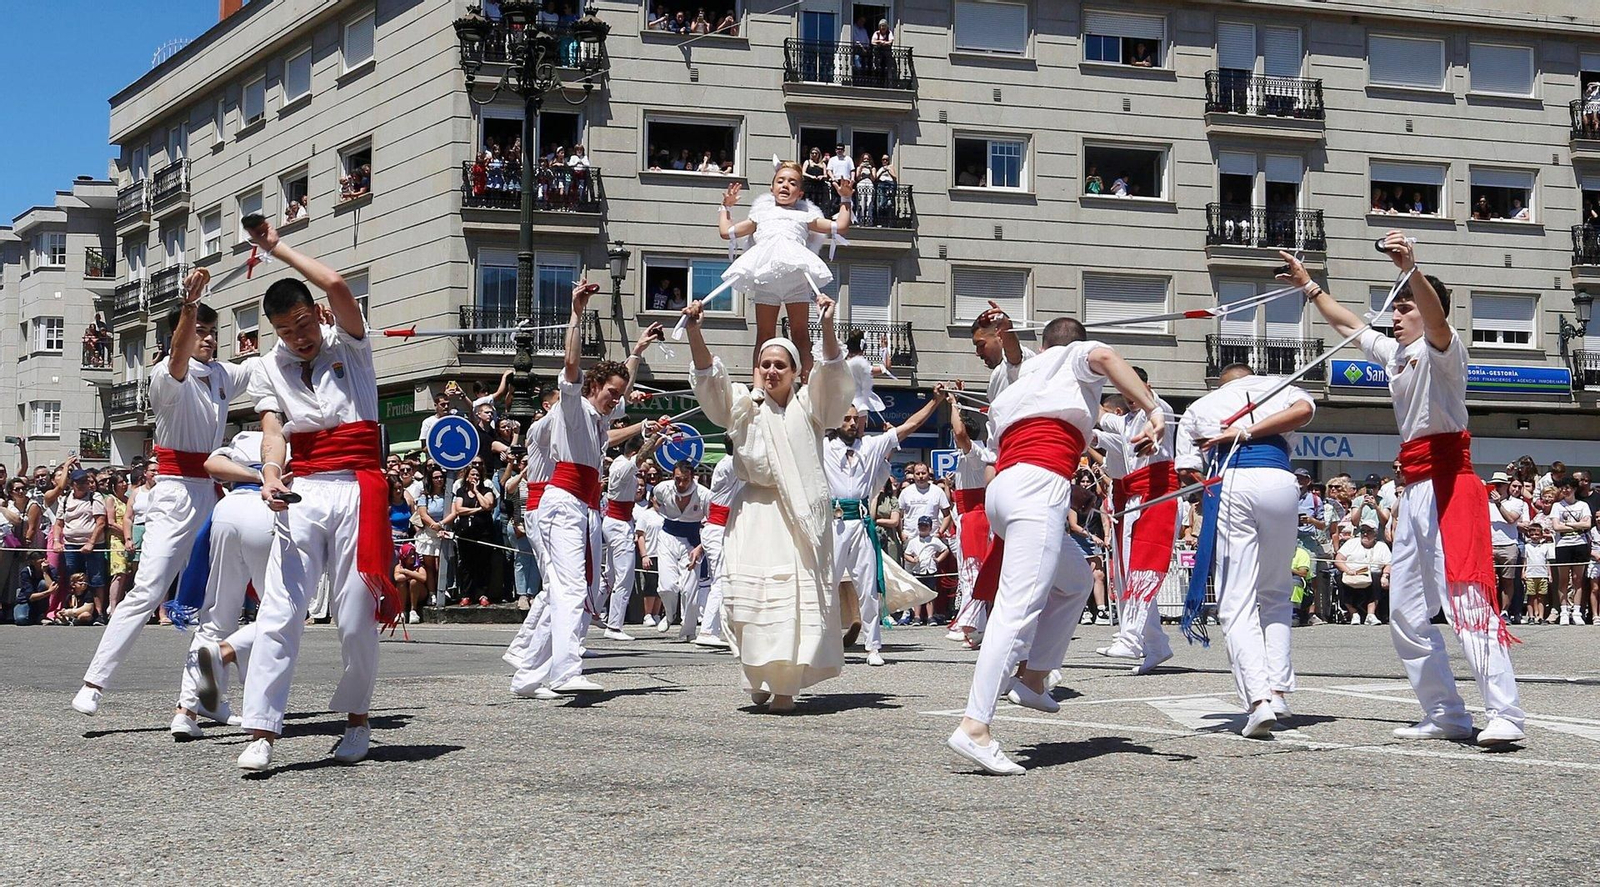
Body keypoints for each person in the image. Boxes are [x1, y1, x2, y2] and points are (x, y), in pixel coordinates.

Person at [1290, 236, 1525, 746]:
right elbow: (1348, 325)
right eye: (1394, 309)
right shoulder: (1396, 353)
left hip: (1450, 485)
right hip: (1415, 488)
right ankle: (1445, 712)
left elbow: (1438, 322)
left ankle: (1505, 713)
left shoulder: (1443, 349)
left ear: (1426, 309)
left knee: (1467, 602)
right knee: (1405, 613)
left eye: (1404, 308)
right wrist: (1309, 285)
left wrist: (1413, 269)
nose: (1394, 317)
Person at [214, 218, 393, 771]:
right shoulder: (270, 366)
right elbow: (272, 430)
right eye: (287, 331)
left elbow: (338, 284)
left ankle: (358, 721)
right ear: (274, 331)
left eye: (303, 324)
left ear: (315, 313)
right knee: (280, 609)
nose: (300, 337)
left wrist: (277, 249)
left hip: (359, 490)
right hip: (304, 489)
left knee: (355, 616)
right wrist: (270, 473)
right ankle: (262, 729)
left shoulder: (350, 343)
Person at [949, 317, 1162, 775]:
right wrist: (1154, 409)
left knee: (1077, 578)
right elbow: (1105, 357)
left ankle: (1033, 676)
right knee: (1016, 609)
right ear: (1075, 346)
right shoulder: (1076, 358)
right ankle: (975, 725)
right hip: (1039, 484)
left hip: (1004, 490)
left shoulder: (1016, 382)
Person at [72, 269, 256, 719]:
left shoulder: (221, 376)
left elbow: (268, 364)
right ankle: (95, 682)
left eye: (214, 333)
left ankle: (206, 699)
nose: (208, 340)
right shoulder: (165, 375)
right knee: (149, 588)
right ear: (183, 332)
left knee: (218, 601)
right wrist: (189, 306)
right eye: (201, 332)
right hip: (175, 493)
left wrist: (324, 327)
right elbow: (178, 354)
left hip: (213, 495)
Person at [684, 290, 852, 712]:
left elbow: (832, 372)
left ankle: (784, 687)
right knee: (752, 600)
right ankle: (755, 674)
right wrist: (694, 332)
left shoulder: (810, 408)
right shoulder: (744, 407)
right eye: (766, 364)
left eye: (781, 364)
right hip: (753, 514)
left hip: (796, 518)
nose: (772, 370)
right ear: (757, 369)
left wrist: (827, 326)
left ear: (796, 372)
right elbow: (709, 379)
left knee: (791, 600)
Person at [507, 289, 658, 699]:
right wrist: (575, 314)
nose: (616, 399)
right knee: (571, 588)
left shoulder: (596, 422)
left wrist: (637, 354)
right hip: (561, 504)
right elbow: (572, 365)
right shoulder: (572, 409)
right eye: (610, 392)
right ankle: (564, 671)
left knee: (570, 591)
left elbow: (614, 409)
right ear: (592, 387)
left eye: (618, 394)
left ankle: (526, 674)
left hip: (583, 506)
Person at [1176, 362, 1315, 737]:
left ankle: (1258, 700)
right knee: (1276, 592)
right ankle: (1278, 690)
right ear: (1251, 374)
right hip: (1281, 481)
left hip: (1232, 481)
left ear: (1222, 382)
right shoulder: (1279, 386)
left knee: (1236, 599)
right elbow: (1304, 411)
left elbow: (1189, 476)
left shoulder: (1200, 406)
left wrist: (1236, 435)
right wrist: (1254, 429)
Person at [167, 430, 275, 739]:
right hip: (265, 510)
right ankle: (225, 659)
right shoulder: (290, 435)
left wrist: (253, 473)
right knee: (280, 613)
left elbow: (213, 464)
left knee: (214, 620)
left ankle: (187, 711)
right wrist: (264, 475)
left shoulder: (243, 437)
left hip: (228, 511)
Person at [826, 392, 944, 665]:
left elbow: (910, 426)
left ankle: (873, 646)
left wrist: (935, 401)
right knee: (826, 586)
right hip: (833, 523)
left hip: (861, 522)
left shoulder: (870, 446)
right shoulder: (823, 447)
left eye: (856, 419)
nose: (852, 423)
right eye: (846, 418)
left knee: (867, 587)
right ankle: (826, 643)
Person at [716, 163, 853, 379]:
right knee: (764, 334)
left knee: (800, 334)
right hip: (766, 278)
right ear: (771, 188)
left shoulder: (804, 217)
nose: (785, 185)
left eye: (792, 182)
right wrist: (726, 207)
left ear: (800, 193)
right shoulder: (760, 215)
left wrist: (845, 199)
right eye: (780, 181)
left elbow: (841, 226)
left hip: (795, 279)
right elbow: (727, 232)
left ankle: (807, 384)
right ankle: (759, 387)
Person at [1095, 367, 1179, 674]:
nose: (1131, 397)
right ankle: (1156, 645)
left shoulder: (1161, 409)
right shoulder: (1126, 421)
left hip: (1157, 496)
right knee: (1130, 572)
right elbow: (1098, 414)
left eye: (1135, 389)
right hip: (1135, 499)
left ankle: (1131, 637)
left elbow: (1151, 407)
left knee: (1141, 569)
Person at [599, 432, 664, 641]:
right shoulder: (624, 467)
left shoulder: (621, 462)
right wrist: (653, 439)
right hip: (618, 525)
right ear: (635, 453)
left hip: (618, 521)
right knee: (624, 576)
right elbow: (641, 457)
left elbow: (644, 454)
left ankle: (592, 609)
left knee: (609, 575)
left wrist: (659, 439)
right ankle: (615, 625)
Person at [945, 390, 993, 648]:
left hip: (974, 517)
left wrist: (953, 405)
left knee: (972, 573)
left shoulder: (975, 453)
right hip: (968, 517)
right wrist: (960, 405)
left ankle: (973, 624)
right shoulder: (974, 454)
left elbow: (960, 434)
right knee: (969, 573)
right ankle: (975, 625)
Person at [651, 459, 711, 639]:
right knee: (667, 585)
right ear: (672, 476)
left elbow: (712, 523)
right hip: (668, 536)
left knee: (689, 589)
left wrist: (700, 547)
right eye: (678, 479)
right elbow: (656, 500)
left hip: (693, 541)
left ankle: (688, 631)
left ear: (693, 477)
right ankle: (669, 615)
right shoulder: (662, 488)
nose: (681, 483)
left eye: (685, 479)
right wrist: (660, 510)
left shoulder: (704, 495)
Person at [694, 452, 742, 648]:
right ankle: (707, 631)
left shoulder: (732, 464)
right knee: (721, 579)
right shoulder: (729, 464)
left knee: (728, 579)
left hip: (724, 528)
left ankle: (721, 628)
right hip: (718, 528)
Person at [451, 464, 498, 606]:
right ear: (467, 476)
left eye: (477, 475)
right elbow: (459, 510)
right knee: (466, 564)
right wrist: (477, 509)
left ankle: (482, 594)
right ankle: (466, 594)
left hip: (483, 533)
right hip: (466, 533)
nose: (475, 477)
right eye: (472, 475)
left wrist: (477, 492)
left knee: (483, 564)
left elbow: (488, 505)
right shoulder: (461, 491)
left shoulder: (487, 490)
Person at [1550, 477, 1592, 625]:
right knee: (1562, 579)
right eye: (1563, 488)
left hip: (1579, 543)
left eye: (1568, 488)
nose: (1565, 490)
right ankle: (1563, 610)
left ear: (1574, 489)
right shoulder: (1557, 506)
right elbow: (1556, 527)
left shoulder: (1583, 505)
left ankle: (1577, 611)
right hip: (1563, 545)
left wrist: (1567, 524)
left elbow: (1587, 524)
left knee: (1577, 579)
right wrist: (1577, 525)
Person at [1487, 471, 1526, 624]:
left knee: (1507, 581)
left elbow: (1511, 519)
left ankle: (1504, 611)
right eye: (1495, 484)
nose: (1497, 487)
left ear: (1506, 485)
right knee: (1489, 581)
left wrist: (1498, 504)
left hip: (1508, 545)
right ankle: (1490, 611)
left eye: (1500, 484)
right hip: (1489, 545)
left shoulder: (1517, 502)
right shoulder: (1485, 502)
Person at [1335, 524, 1392, 627]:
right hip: (1352, 574)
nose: (1365, 534)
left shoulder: (1382, 546)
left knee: (1376, 577)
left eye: (1369, 531)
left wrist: (1385, 576)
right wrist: (1348, 570)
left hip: (1373, 575)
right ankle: (1354, 613)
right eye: (1363, 531)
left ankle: (1371, 614)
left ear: (1375, 534)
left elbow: (1389, 563)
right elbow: (1338, 560)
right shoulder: (1351, 543)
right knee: (1339, 577)